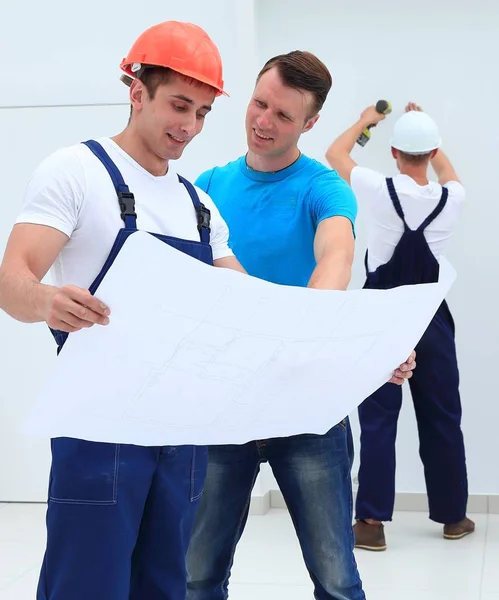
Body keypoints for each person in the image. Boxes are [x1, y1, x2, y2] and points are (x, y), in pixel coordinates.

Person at [0, 20, 246, 600]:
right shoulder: (77, 172)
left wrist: (360, 356)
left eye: (204, 112)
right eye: (179, 105)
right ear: (137, 92)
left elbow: (249, 310)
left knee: (165, 586)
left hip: (181, 433)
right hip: (98, 430)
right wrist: (48, 300)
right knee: (86, 585)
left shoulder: (199, 206)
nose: (190, 126)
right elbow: (12, 281)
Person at [186, 51, 416, 600]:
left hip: (307, 404)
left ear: (310, 124)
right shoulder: (207, 185)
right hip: (223, 403)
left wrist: (340, 340)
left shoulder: (324, 188)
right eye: (259, 104)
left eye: (283, 116)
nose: (263, 121)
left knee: (336, 578)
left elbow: (335, 257)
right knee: (195, 575)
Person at [325, 102, 474, 552]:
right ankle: (453, 517)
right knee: (443, 415)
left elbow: (336, 153)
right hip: (430, 317)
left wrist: (367, 119)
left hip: (383, 317)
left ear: (393, 152)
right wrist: (429, 133)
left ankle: (370, 522)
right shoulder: (453, 198)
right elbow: (449, 172)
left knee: (378, 420)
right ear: (431, 152)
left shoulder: (377, 187)